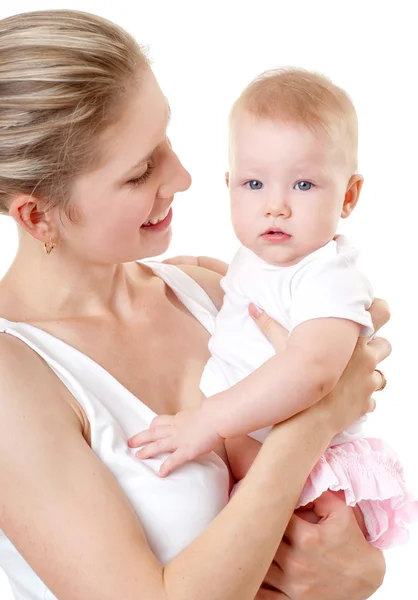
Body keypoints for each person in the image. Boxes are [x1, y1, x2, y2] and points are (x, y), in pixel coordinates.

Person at [0, 9, 390, 600]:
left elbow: (338, 553)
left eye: (167, 141)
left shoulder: (211, 289)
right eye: (139, 173)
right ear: (37, 215)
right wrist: (313, 421)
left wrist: (365, 575)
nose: (182, 177)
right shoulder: (15, 380)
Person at [131, 68, 418, 549]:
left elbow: (313, 370)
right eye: (253, 184)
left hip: (312, 472)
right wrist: (201, 265)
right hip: (265, 462)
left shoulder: (331, 278)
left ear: (348, 196)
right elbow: (257, 288)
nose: (275, 206)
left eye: (303, 185)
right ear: (229, 184)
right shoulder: (262, 258)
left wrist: (209, 421)